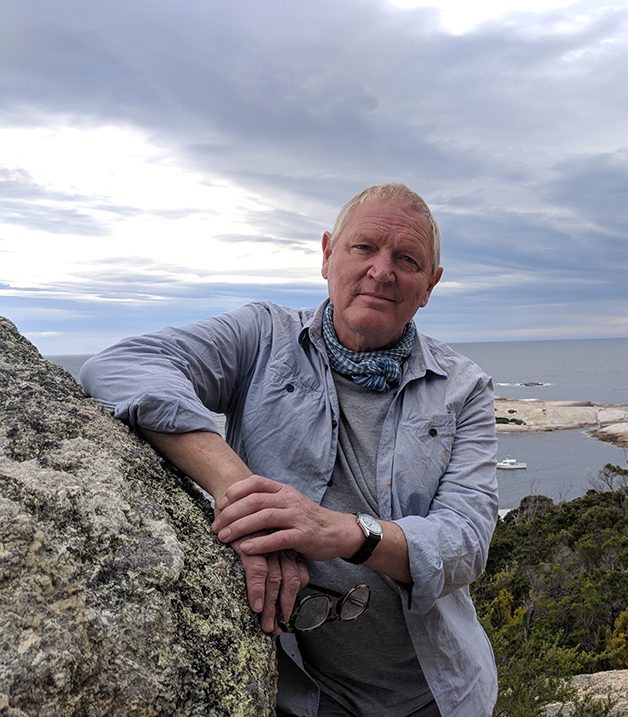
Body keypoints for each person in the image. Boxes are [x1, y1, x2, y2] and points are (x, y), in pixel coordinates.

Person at [80, 182, 499, 717]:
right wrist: (245, 495)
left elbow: (465, 540)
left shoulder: (464, 387)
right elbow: (118, 366)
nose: (382, 271)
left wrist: (340, 532)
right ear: (327, 254)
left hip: (438, 694)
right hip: (298, 694)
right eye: (363, 247)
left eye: (407, 259)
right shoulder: (262, 336)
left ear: (430, 285)